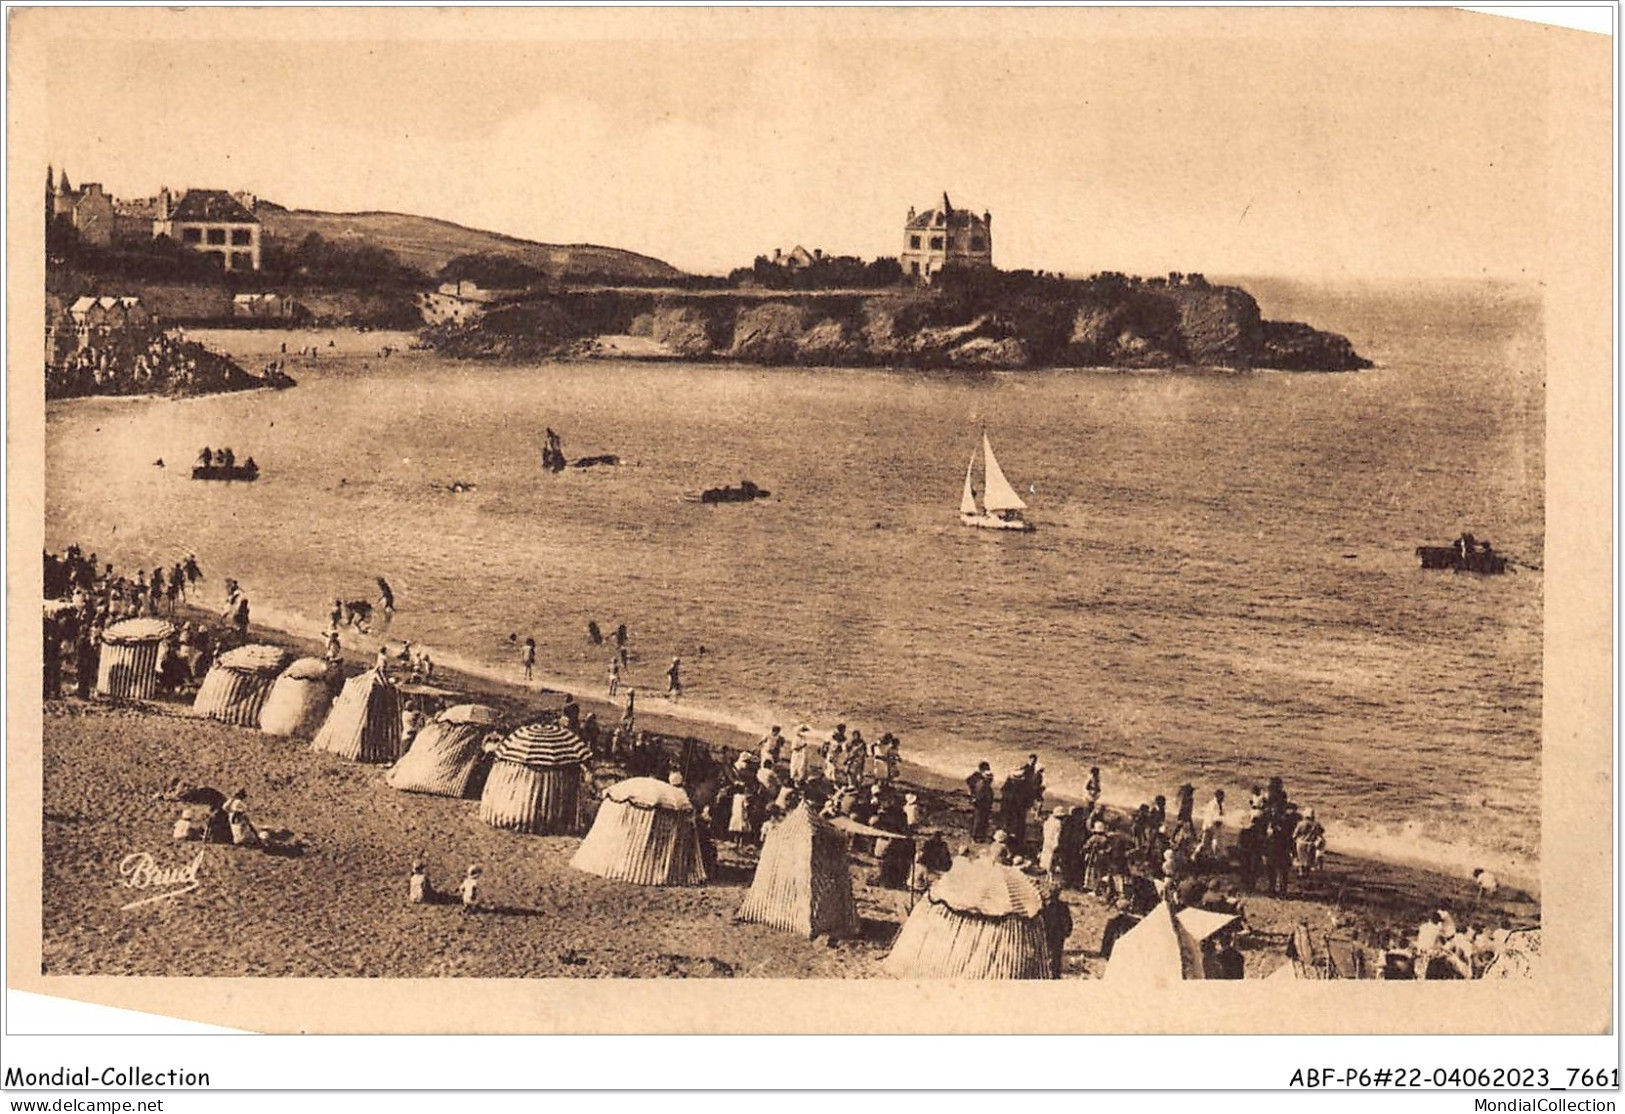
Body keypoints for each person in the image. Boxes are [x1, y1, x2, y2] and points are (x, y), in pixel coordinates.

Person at [966, 761, 995, 842]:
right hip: (981, 805)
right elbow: (980, 796)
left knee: (981, 820)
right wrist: (973, 796)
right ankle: (975, 837)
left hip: (982, 804)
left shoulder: (982, 782)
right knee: (979, 820)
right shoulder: (982, 783)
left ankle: (978, 836)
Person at [1200, 789, 1227, 862]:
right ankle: (1196, 856)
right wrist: (1213, 825)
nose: (1223, 798)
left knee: (1216, 842)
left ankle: (1217, 857)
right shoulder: (1212, 805)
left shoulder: (1221, 804)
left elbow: (1222, 815)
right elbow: (1210, 817)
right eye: (1221, 796)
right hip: (1210, 825)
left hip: (1216, 826)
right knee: (1205, 843)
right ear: (1217, 796)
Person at [1040, 806, 1066, 876]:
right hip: (1053, 842)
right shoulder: (1058, 823)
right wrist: (1056, 843)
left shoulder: (1048, 821)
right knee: (1052, 858)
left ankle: (1045, 870)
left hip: (1047, 840)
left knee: (1046, 856)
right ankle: (1050, 873)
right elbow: (1057, 835)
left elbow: (1044, 831)